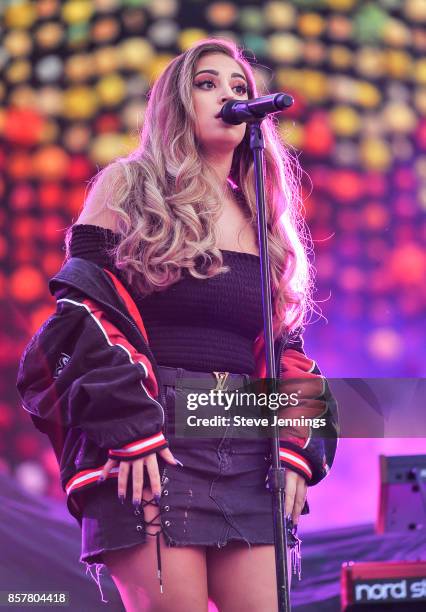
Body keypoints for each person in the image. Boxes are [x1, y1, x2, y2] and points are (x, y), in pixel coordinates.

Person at [17, 38, 338, 611]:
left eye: (240, 87)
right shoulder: (129, 186)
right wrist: (128, 426)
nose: (229, 96)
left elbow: (285, 348)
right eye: (207, 83)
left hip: (245, 440)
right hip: (152, 436)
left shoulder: (261, 217)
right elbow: (83, 312)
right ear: (174, 103)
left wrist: (295, 447)